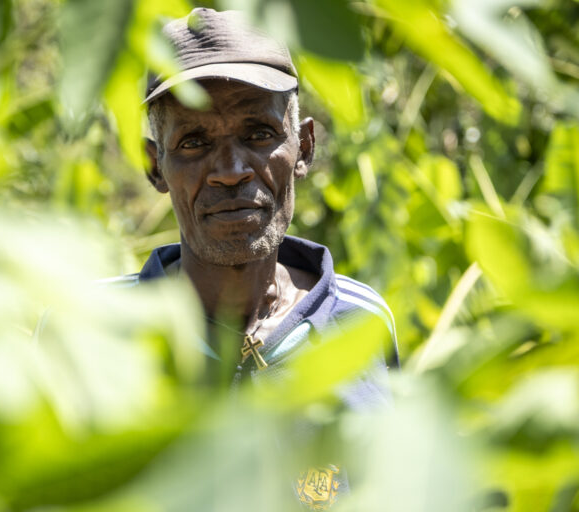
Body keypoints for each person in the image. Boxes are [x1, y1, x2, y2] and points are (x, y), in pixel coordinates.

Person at [112, 8, 398, 509]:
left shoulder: (363, 325)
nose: (230, 170)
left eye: (258, 134)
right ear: (155, 166)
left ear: (304, 147)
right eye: (194, 141)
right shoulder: (98, 329)